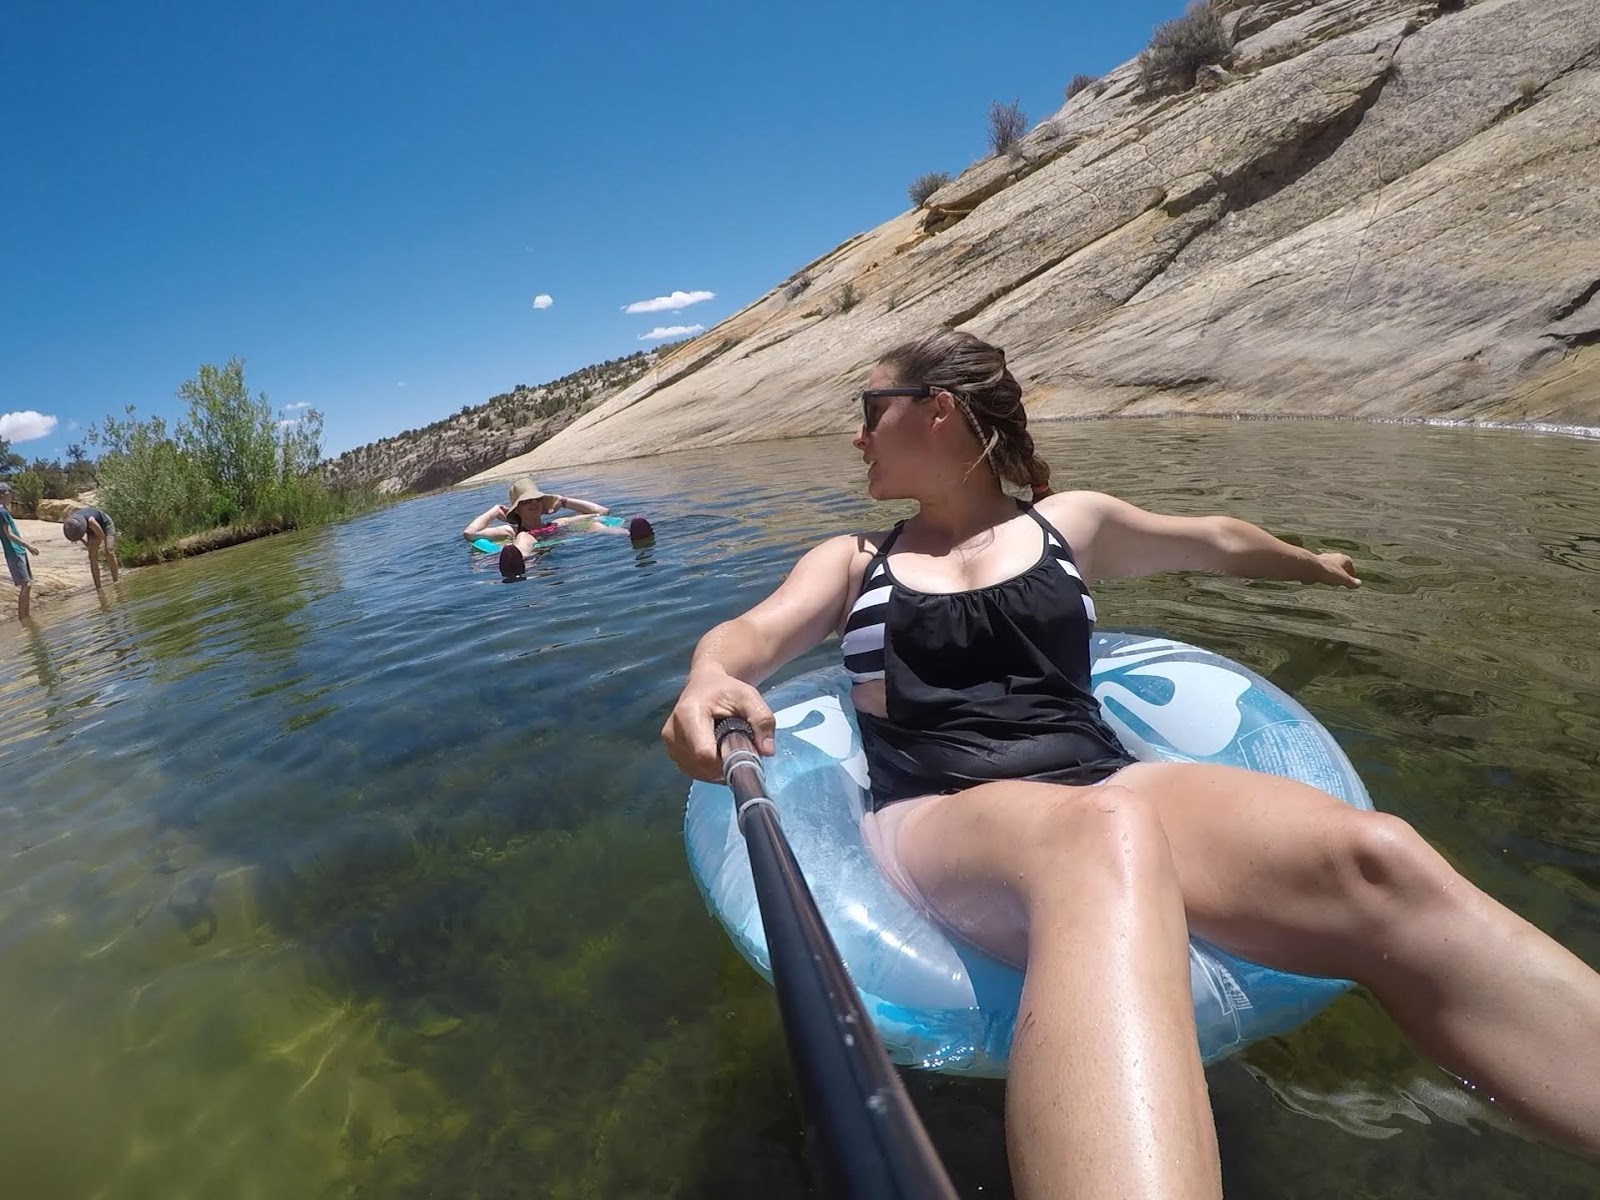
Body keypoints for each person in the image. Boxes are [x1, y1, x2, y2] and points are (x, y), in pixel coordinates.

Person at [661, 330, 1600, 1200]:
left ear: (936, 407)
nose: (857, 439)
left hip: (1104, 776)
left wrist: (1311, 563)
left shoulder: (1070, 524)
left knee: (1376, 855)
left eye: (870, 413)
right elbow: (748, 637)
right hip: (943, 807)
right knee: (1098, 834)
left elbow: (1215, 540)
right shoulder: (854, 560)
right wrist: (709, 677)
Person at [463, 477, 654, 578]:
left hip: (559, 545)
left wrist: (564, 501)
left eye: (537, 499)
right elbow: (470, 533)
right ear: (517, 508)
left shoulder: (558, 523)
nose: (534, 503)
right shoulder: (511, 531)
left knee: (594, 524)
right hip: (531, 557)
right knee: (524, 539)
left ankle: (631, 535)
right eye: (526, 500)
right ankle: (518, 564)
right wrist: (495, 511)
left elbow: (602, 512)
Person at [1, 481, 42, 621]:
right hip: (15, 551)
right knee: (25, 584)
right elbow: (8, 534)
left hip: (18, 550)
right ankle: (23, 618)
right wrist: (28, 546)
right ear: (2, 494)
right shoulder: (1, 511)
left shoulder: (3, 511)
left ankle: (26, 617)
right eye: (9, 493)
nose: (10, 495)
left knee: (28, 584)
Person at [62, 506, 119, 589]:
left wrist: (90, 545)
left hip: (104, 524)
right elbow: (76, 536)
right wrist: (86, 543)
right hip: (90, 529)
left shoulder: (91, 521)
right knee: (92, 556)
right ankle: (98, 587)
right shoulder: (71, 524)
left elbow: (101, 535)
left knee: (109, 550)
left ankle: (116, 581)